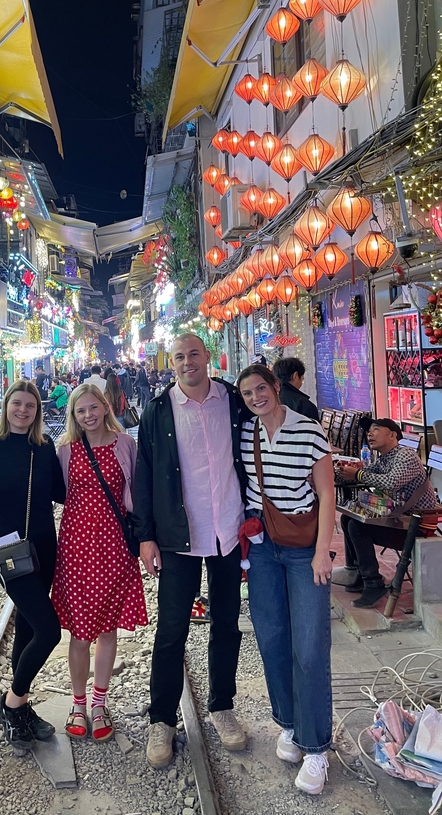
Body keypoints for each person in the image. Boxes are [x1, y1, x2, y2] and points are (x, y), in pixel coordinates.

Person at [134, 333, 250, 768]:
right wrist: (145, 536)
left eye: (193, 355)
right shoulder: (159, 410)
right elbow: (143, 475)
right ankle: (161, 719)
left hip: (228, 533)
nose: (187, 363)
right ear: (173, 363)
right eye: (179, 357)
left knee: (227, 623)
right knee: (171, 630)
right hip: (178, 538)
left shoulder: (233, 400)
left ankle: (222, 706)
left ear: (207, 358)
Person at [237, 364, 335, 795]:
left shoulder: (309, 431)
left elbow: (327, 493)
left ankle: (316, 746)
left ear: (277, 388)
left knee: (310, 645)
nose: (257, 397)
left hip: (302, 549)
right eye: (247, 393)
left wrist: (321, 552)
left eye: (262, 388)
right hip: (261, 549)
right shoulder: (247, 434)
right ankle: (292, 724)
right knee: (272, 636)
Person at [0, 380, 66, 748]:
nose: (23, 410)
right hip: (8, 551)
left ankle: (18, 706)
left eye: (30, 406)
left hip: (43, 545)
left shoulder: (44, 446)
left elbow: (60, 493)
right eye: (17, 404)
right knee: (49, 631)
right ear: (6, 407)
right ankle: (11, 702)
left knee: (27, 627)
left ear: (37, 411)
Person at [53, 384, 147, 740]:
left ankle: (99, 702)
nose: (88, 415)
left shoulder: (125, 445)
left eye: (93, 408)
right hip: (76, 547)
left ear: (106, 408)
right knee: (79, 632)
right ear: (74, 415)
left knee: (107, 628)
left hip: (114, 546)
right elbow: (60, 493)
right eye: (81, 411)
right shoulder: (66, 450)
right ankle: (78, 702)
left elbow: (137, 490)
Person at [334, 418, 438, 607]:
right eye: (368, 431)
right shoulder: (385, 458)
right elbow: (364, 474)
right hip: (402, 521)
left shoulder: (405, 455)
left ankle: (373, 583)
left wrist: (357, 474)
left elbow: (391, 482)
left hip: (418, 525)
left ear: (392, 435)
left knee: (358, 527)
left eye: (375, 429)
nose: (370, 434)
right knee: (347, 518)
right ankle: (360, 572)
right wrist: (340, 471)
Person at [271, 358, 319, 422]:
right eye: (302, 377)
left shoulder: (269, 399)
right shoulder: (304, 405)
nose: (303, 379)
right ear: (295, 376)